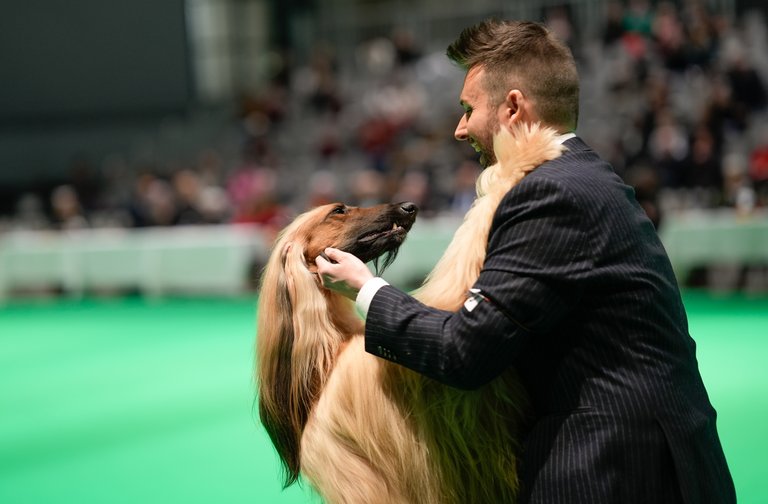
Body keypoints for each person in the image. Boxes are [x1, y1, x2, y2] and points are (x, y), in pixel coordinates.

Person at [316, 19, 735, 503]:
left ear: (512, 107)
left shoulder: (550, 193)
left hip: (617, 471)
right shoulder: (583, 177)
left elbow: (464, 353)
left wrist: (366, 289)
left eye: (467, 109)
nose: (459, 128)